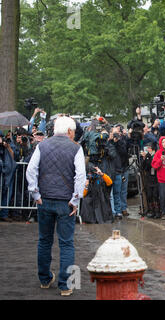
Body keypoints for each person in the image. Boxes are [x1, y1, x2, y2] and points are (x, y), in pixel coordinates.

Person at [26, 116, 86, 296]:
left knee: (44, 240)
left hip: (44, 199)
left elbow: (31, 170)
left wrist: (35, 194)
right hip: (65, 202)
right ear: (69, 131)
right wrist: (75, 200)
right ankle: (65, 285)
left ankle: (44, 279)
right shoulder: (76, 148)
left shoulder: (42, 145)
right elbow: (80, 176)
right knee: (66, 243)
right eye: (74, 131)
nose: (74, 134)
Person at [0, 131, 17, 222]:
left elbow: (13, 156)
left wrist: (8, 147)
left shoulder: (8, 145)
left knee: (7, 193)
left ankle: (4, 213)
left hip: (7, 174)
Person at [140, 142, 160, 218]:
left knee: (155, 195)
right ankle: (152, 211)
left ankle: (157, 211)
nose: (148, 149)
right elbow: (142, 167)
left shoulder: (157, 155)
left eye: (149, 147)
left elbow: (155, 165)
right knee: (149, 195)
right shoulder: (147, 156)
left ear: (153, 148)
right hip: (149, 178)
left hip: (156, 178)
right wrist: (144, 158)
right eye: (147, 148)